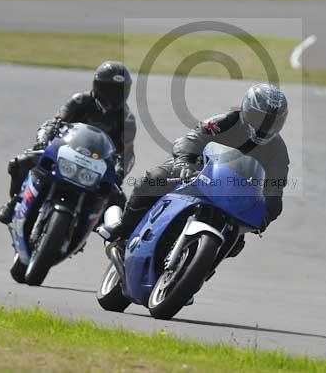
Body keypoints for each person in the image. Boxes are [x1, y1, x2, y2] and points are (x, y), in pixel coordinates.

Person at [98, 83, 290, 258]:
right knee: (153, 179)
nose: (266, 126)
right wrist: (184, 163)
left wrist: (265, 215)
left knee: (236, 243)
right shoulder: (226, 122)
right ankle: (123, 226)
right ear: (247, 110)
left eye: (273, 121)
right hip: (197, 173)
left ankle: (193, 277)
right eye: (260, 117)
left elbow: (275, 188)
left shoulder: (278, 150)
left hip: (234, 194)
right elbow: (192, 139)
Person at [0, 61, 137, 225]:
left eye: (119, 91)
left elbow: (128, 153)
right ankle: (15, 202)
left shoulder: (126, 119)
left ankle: (112, 241)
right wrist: (42, 141)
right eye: (109, 89)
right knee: (20, 163)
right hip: (64, 153)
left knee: (118, 200)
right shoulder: (80, 101)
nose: (113, 96)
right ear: (97, 86)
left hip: (96, 167)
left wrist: (119, 174)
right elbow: (53, 123)